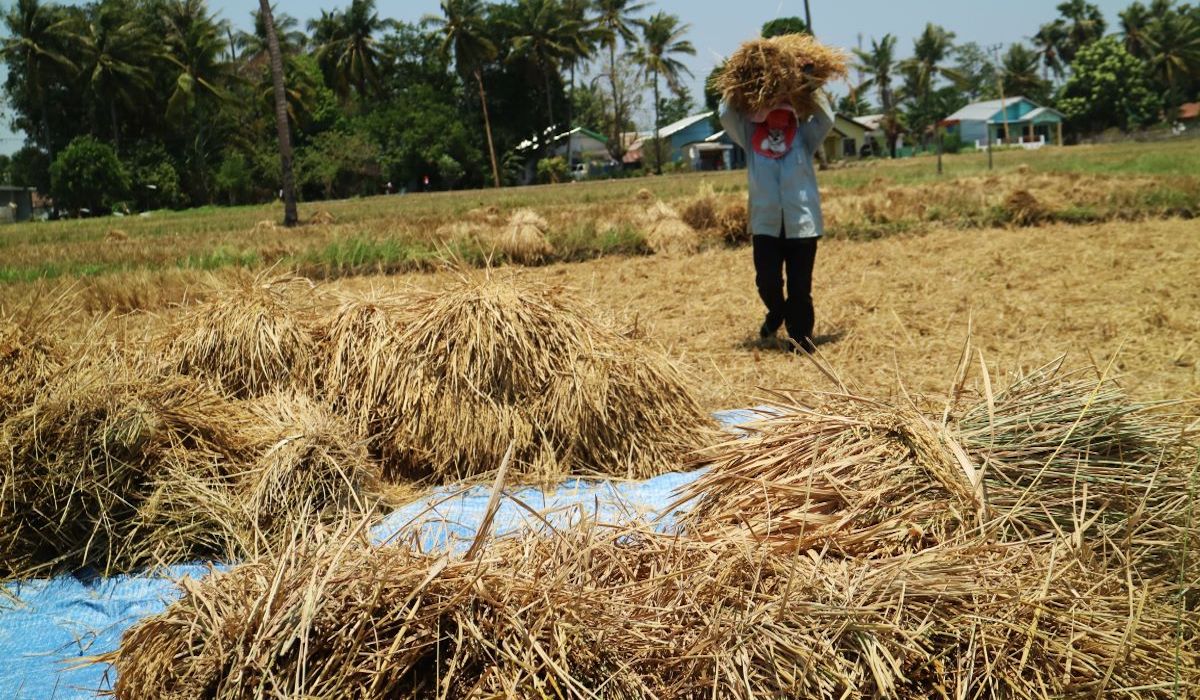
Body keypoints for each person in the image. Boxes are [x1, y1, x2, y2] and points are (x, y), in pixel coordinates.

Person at [720, 90, 833, 353]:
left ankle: (800, 341)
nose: (778, 112)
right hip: (765, 223)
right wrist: (735, 86)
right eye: (772, 107)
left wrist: (810, 87)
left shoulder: (804, 136)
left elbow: (827, 118)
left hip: (801, 224)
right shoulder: (750, 136)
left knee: (800, 287)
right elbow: (726, 114)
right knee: (767, 281)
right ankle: (777, 312)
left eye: (784, 106)